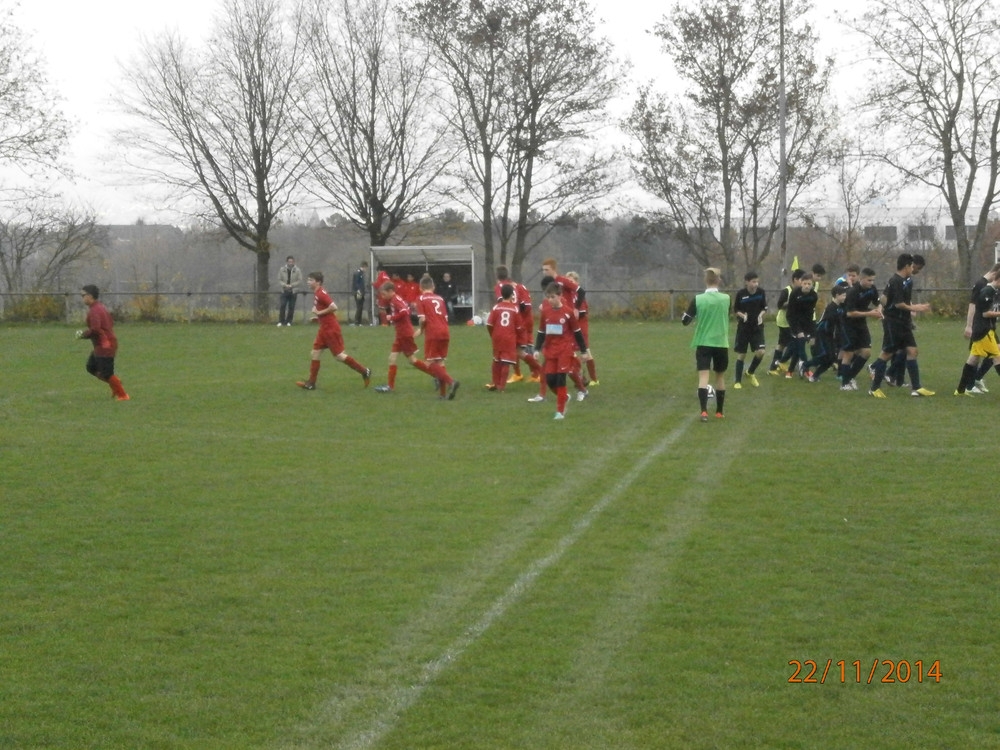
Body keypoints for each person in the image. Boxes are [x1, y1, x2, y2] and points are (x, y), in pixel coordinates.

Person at [374, 281, 459, 398]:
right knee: (394, 358)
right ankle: (390, 386)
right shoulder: (439, 298)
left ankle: (442, 378)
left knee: (419, 361)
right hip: (408, 333)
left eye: (384, 294)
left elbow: (405, 311)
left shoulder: (399, 300)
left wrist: (392, 317)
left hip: (405, 334)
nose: (383, 297)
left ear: (390, 291)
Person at [869, 253, 934, 397]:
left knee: (912, 351)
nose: (913, 269)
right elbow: (899, 304)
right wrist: (916, 307)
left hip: (904, 323)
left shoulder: (906, 281)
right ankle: (874, 388)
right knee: (887, 353)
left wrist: (910, 318)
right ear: (906, 266)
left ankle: (916, 388)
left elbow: (894, 299)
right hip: (894, 322)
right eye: (912, 266)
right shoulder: (896, 281)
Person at [295, 272, 372, 391]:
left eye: (311, 280)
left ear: (318, 282)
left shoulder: (321, 294)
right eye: (308, 280)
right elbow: (325, 311)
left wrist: (319, 313)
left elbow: (334, 307)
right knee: (315, 353)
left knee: (339, 356)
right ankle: (311, 383)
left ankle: (364, 371)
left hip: (330, 329)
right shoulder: (317, 293)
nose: (308, 282)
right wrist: (318, 318)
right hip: (324, 329)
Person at [535, 281, 590, 419]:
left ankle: (560, 412)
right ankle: (564, 397)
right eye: (548, 297)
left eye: (553, 297)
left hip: (564, 350)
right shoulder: (546, 312)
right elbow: (541, 331)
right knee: (550, 380)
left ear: (560, 296)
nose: (550, 300)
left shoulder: (568, 312)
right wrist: (537, 349)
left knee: (561, 379)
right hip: (550, 350)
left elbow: (577, 332)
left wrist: (584, 351)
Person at [681, 268, 730, 422]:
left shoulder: (698, 299)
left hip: (703, 342)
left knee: (703, 376)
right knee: (720, 376)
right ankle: (719, 412)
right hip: (721, 342)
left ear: (705, 280)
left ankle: (703, 412)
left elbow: (685, 321)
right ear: (719, 280)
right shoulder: (726, 298)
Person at [77, 285, 130, 401]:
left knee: (106, 373)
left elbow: (95, 330)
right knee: (91, 367)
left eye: (83, 295)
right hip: (102, 345)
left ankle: (123, 395)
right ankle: (115, 383)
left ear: (90, 296)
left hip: (105, 345)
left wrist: (83, 334)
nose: (82, 298)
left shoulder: (95, 311)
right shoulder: (99, 307)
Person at [493, 266, 541, 385]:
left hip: (517, 323)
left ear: (497, 276)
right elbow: (527, 306)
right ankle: (520, 374)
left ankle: (537, 372)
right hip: (524, 320)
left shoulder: (500, 286)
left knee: (522, 350)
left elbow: (501, 303)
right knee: (516, 349)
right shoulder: (520, 286)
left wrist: (515, 314)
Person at [954, 272, 1000, 395]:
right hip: (984, 331)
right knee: (997, 357)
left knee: (973, 359)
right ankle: (966, 386)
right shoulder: (987, 291)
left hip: (984, 330)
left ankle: (960, 390)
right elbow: (985, 313)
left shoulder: (994, 291)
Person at [414, 274, 459, 398]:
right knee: (440, 362)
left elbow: (423, 319)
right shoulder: (440, 298)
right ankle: (443, 394)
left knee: (429, 363)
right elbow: (445, 317)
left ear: (420, 288)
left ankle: (451, 382)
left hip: (433, 332)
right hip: (445, 331)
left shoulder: (421, 298)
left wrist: (421, 330)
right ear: (433, 287)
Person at [839, 267, 882, 391]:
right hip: (848, 324)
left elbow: (878, 302)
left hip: (861, 324)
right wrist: (870, 314)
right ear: (861, 279)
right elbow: (850, 313)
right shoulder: (853, 292)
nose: (871, 283)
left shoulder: (872, 289)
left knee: (866, 352)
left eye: (873, 280)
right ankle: (844, 384)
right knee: (849, 353)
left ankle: (850, 377)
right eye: (869, 280)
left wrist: (879, 310)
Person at [803, 284, 849, 382]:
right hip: (822, 335)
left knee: (830, 359)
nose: (845, 297)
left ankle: (814, 376)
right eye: (843, 295)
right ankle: (805, 364)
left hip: (829, 335)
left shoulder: (839, 307)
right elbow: (825, 324)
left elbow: (839, 324)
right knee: (825, 357)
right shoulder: (831, 308)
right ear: (837, 295)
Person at [732, 271, 767, 389]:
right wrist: (743, 316)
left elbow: (764, 308)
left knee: (761, 352)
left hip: (757, 327)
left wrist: (760, 315)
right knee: (742, 354)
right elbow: (736, 310)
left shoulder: (761, 292)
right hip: (744, 328)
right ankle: (737, 381)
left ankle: (750, 372)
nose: (756, 284)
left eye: (757, 281)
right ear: (746, 282)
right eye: (753, 282)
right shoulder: (741, 294)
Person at [485, 283, 522, 391]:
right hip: (509, 337)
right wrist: (520, 340)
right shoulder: (515, 309)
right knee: (506, 361)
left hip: (497, 336)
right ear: (512, 295)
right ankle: (501, 386)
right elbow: (519, 327)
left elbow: (489, 324)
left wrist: (492, 335)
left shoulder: (496, 307)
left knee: (496, 359)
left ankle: (494, 383)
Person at [565, 271, 598, 385]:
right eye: (567, 281)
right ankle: (580, 375)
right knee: (570, 352)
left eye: (571, 281)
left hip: (580, 327)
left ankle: (594, 380)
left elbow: (582, 312)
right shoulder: (566, 294)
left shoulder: (578, 295)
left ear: (577, 282)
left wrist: (572, 314)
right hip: (570, 328)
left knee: (586, 352)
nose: (569, 283)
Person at [782, 271, 818, 378]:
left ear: (812, 284)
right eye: (805, 283)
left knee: (798, 346)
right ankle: (806, 369)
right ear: (801, 283)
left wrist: (810, 329)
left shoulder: (813, 295)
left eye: (809, 284)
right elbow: (791, 313)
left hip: (806, 322)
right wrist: (797, 329)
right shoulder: (795, 294)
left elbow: (810, 312)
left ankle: (789, 370)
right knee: (801, 343)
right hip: (794, 320)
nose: (807, 286)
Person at [768, 268, 804, 374]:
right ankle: (780, 364)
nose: (803, 283)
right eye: (801, 280)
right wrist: (791, 302)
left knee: (782, 344)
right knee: (794, 344)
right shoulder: (787, 290)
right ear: (795, 279)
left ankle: (774, 367)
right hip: (784, 322)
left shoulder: (801, 291)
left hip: (793, 322)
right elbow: (780, 305)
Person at [277, 255, 303, 326]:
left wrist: (292, 285)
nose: (290, 263)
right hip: (284, 290)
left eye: (292, 261)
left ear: (294, 262)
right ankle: (281, 321)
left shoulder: (297, 270)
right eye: (289, 261)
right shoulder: (282, 269)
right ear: (287, 262)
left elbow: (299, 280)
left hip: (293, 291)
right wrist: (285, 285)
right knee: (283, 305)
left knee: (291, 306)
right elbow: (279, 280)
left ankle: (289, 321)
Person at [351, 261, 369, 326]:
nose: (366, 269)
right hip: (358, 292)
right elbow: (356, 283)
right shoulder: (357, 273)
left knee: (361, 307)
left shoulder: (361, 273)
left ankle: (359, 322)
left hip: (362, 292)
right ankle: (356, 321)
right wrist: (358, 291)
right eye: (366, 268)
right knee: (359, 307)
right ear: (364, 266)